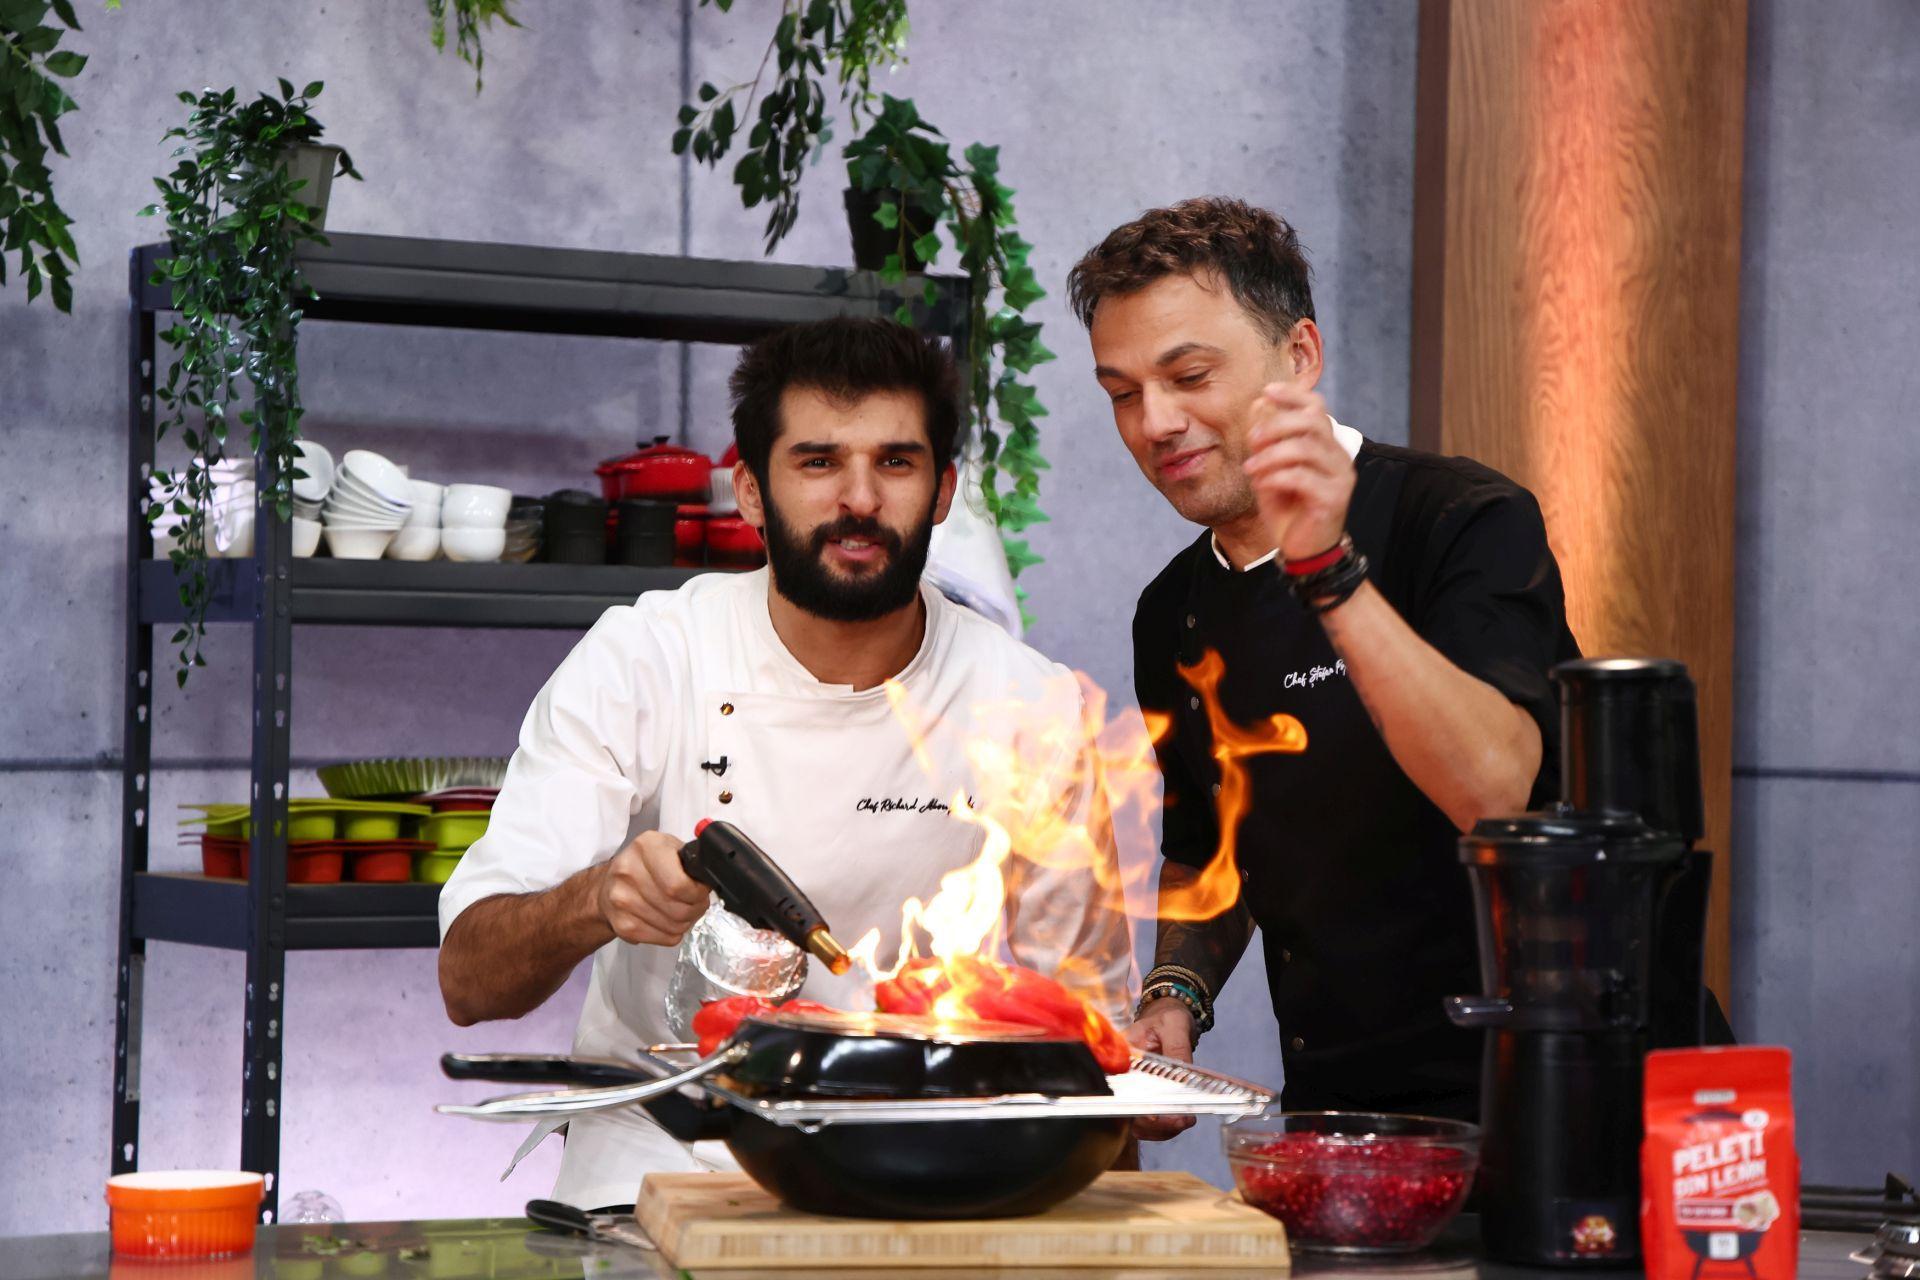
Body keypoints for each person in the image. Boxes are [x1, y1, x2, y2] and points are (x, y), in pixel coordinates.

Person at [437, 316, 1133, 1209]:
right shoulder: (648, 657)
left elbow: (1090, 1046)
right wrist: (597, 898)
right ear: (751, 493)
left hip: (919, 1172)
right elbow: (469, 980)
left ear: (943, 491)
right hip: (659, 1166)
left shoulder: (1031, 703)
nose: (859, 498)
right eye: (817, 461)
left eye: (896, 462)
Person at [1066, 197, 1579, 1129]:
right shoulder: (1172, 612)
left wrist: (1329, 574)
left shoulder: (1459, 520)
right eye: (1122, 394)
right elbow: (1207, 849)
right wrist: (1175, 994)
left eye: (1189, 375)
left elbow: (1496, 790)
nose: (1156, 422)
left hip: (1547, 1092)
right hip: (1341, 1114)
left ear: (1300, 355)